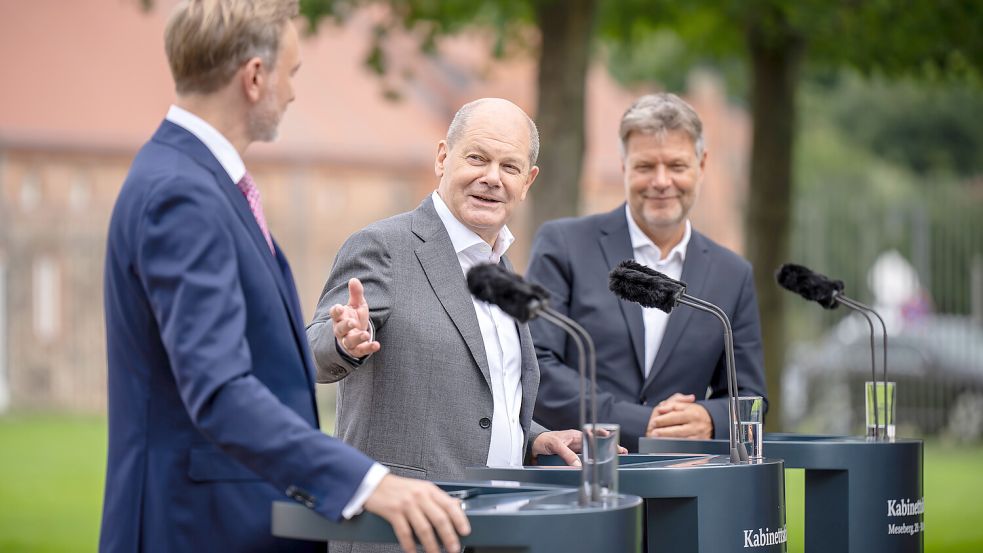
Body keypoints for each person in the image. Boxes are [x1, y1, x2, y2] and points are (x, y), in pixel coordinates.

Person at [100, 2, 468, 552]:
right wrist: (369, 482)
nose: (293, 93)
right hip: (195, 527)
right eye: (291, 74)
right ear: (254, 76)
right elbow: (220, 390)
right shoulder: (184, 195)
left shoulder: (192, 180)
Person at [307, 99, 586, 495]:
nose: (492, 178)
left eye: (510, 167)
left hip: (496, 520)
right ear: (443, 157)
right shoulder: (384, 247)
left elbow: (481, 401)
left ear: (528, 181)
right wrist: (344, 341)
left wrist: (532, 438)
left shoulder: (502, 272)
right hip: (400, 523)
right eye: (477, 158)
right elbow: (313, 349)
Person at [526, 93, 767, 451]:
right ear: (624, 166)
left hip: (686, 480)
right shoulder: (563, 245)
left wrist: (712, 418)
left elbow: (752, 398)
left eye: (676, 166)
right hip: (580, 473)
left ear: (702, 165)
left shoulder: (733, 274)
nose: (661, 181)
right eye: (644, 167)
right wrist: (637, 423)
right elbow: (537, 366)